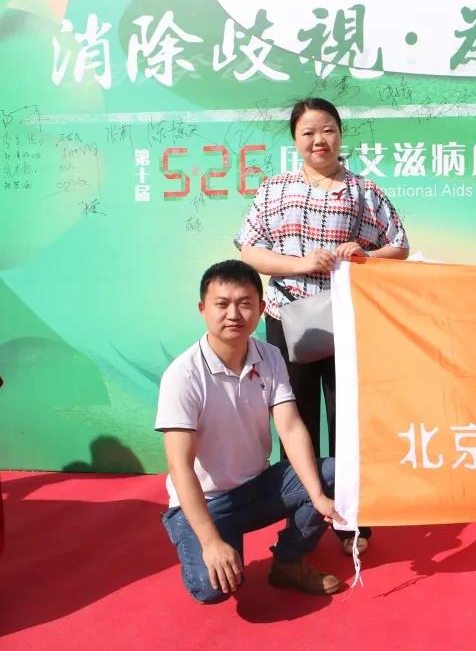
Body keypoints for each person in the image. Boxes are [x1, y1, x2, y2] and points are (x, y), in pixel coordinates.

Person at [236, 98, 409, 556]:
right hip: (286, 317)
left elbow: (399, 246)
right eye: (308, 132)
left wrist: (364, 255)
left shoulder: (363, 191)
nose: (319, 140)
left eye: (328, 130)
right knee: (295, 419)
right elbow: (249, 250)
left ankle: (353, 519)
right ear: (295, 139)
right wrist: (300, 264)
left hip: (345, 320)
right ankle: (302, 520)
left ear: (340, 134)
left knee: (347, 420)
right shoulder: (274, 189)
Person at [157, 260, 345, 603]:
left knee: (334, 473)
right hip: (206, 502)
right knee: (212, 588)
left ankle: (289, 562)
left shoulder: (270, 357)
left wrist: (317, 496)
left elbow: (290, 427)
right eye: (222, 304)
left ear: (261, 309)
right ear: (202, 309)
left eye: (245, 304)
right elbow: (179, 466)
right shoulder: (183, 375)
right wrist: (211, 542)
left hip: (257, 488)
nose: (234, 314)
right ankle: (209, 537)